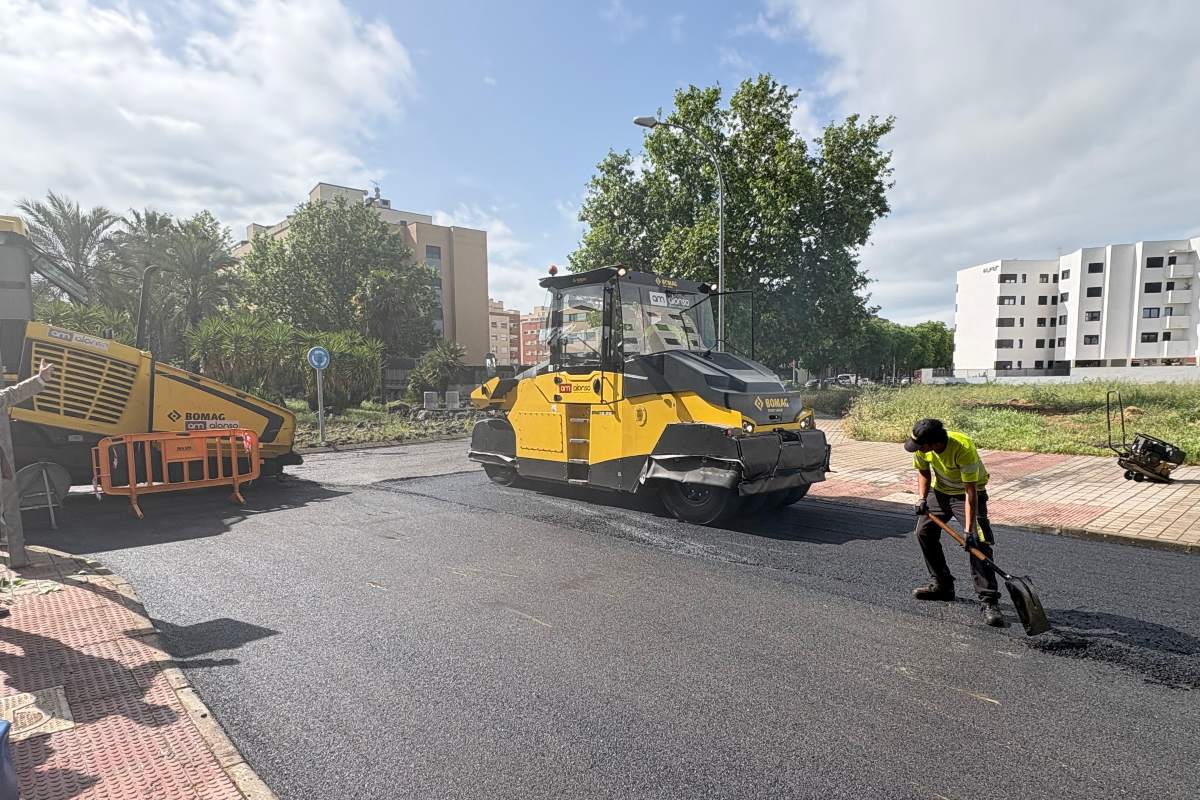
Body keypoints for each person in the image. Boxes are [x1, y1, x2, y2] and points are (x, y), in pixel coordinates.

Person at [905, 418, 1006, 628]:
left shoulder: (962, 447)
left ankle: (989, 601)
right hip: (941, 491)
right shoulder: (923, 447)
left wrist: (968, 531)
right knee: (923, 532)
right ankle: (942, 585)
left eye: (921, 446)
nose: (918, 449)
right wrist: (922, 498)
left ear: (934, 443)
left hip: (969, 494)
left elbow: (970, 491)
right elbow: (923, 471)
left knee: (978, 541)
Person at [0, 359, 53, 616]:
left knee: (11, 509)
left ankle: (18, 558)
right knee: (9, 511)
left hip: (3, 468)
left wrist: (40, 379)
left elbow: (14, 393)